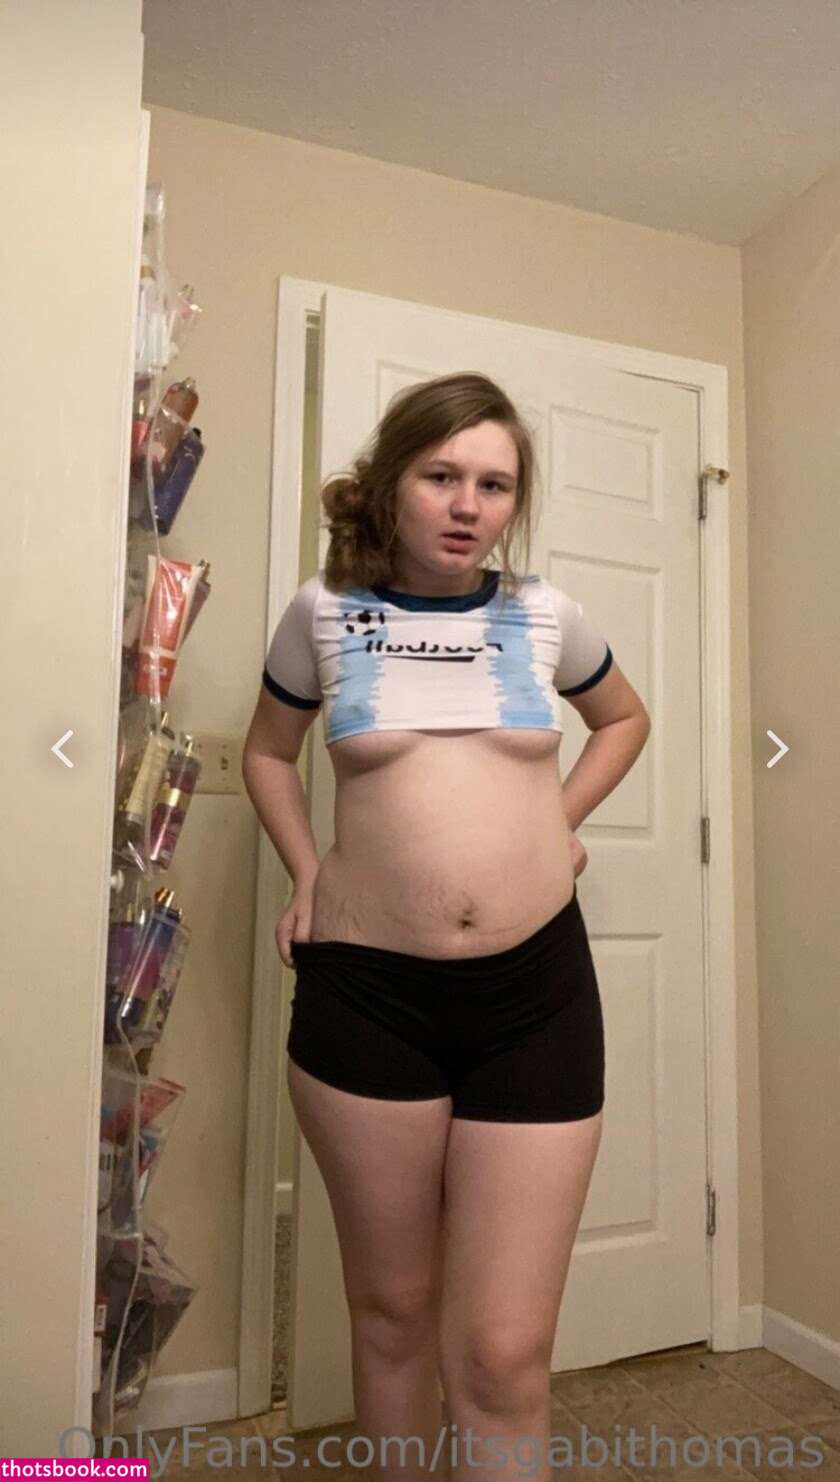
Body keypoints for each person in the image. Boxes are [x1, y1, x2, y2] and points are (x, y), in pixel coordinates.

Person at [243, 371, 651, 1482]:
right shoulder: (323, 612)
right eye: (441, 476)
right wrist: (308, 871)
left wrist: (555, 822)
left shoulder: (546, 614)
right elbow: (268, 753)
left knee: (506, 1352)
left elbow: (623, 719)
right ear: (392, 484)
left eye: (495, 484)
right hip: (368, 996)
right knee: (392, 1315)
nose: (468, 505)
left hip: (536, 999)